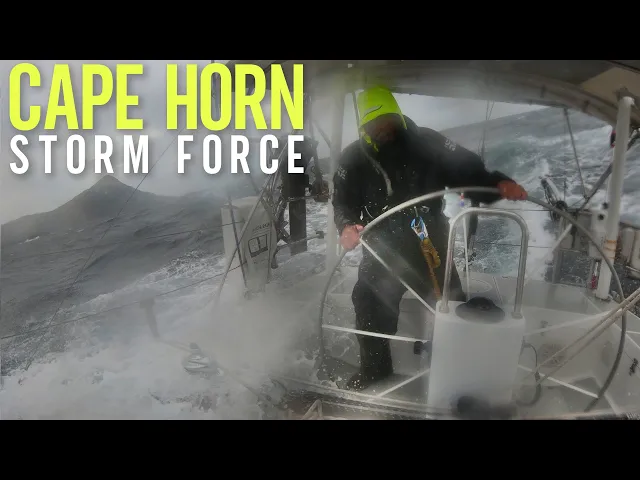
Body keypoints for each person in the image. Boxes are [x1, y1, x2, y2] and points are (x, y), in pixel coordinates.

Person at [332, 86, 528, 391]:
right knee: (367, 302)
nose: (381, 129)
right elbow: (343, 202)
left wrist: (497, 183)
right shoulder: (353, 159)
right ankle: (375, 371)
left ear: (397, 116)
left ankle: (457, 372)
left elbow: (467, 170)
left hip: (430, 242)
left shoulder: (428, 142)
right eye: (373, 125)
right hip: (383, 249)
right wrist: (346, 226)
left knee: (452, 307)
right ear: (364, 129)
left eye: (386, 120)